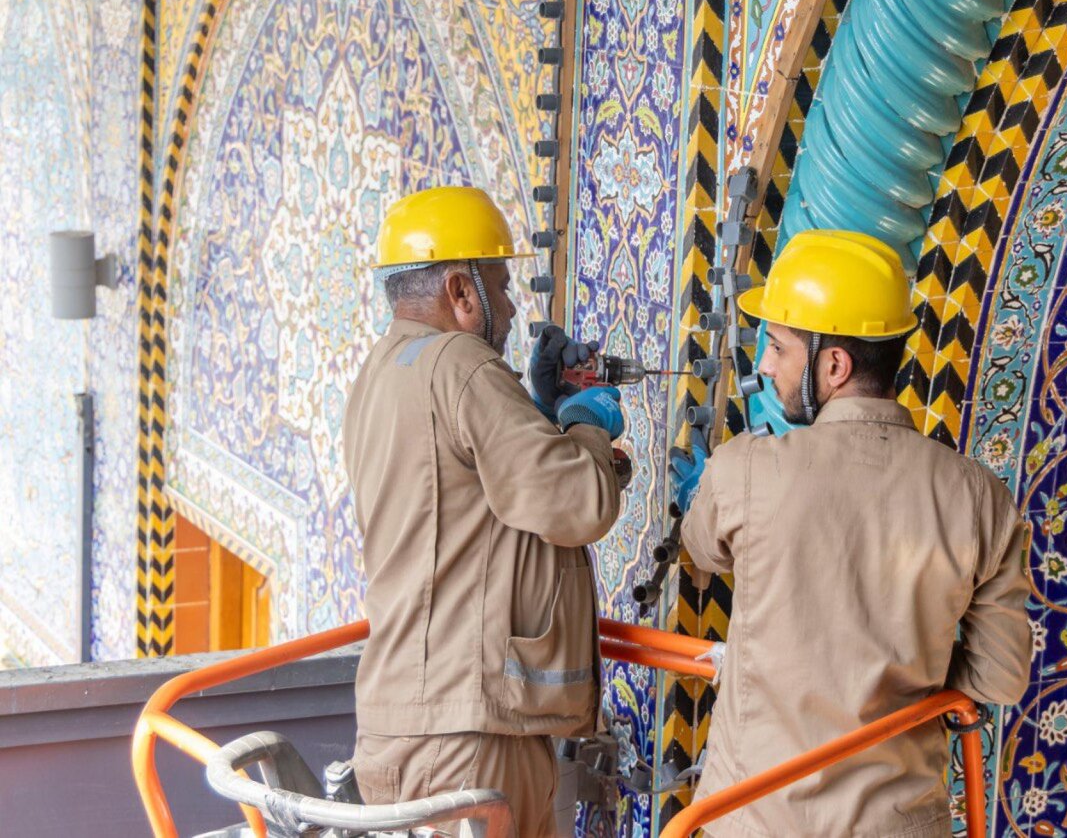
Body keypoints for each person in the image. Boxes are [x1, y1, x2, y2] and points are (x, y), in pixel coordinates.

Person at [668, 229, 1032, 837]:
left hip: (756, 822)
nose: (765, 366)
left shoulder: (747, 469)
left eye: (779, 348)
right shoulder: (981, 499)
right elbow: (999, 677)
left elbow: (701, 548)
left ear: (833, 365)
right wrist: (903, 671)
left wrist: (700, 495)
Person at [343, 186, 625, 836]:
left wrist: (538, 411)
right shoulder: (463, 362)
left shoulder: (380, 372)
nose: (509, 305)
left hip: (394, 723)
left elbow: (477, 491)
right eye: (499, 286)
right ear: (460, 292)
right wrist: (587, 422)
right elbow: (574, 501)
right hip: (469, 738)